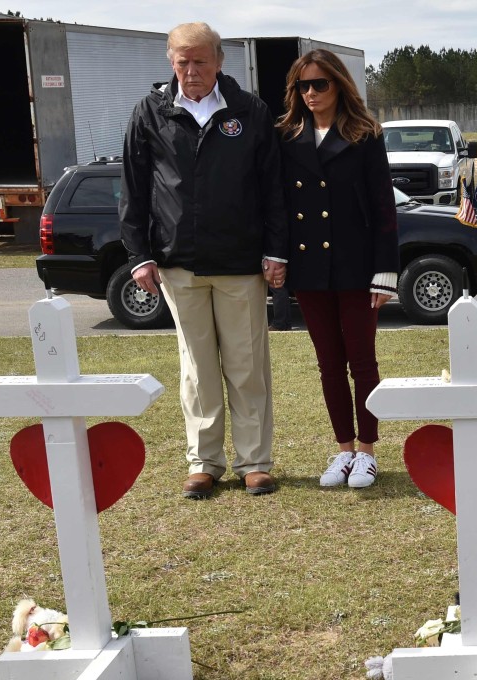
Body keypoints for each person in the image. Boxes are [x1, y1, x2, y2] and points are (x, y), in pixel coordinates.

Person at [119, 22, 288, 499]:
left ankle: (254, 462)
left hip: (240, 264)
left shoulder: (250, 111)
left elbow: (271, 188)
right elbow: (133, 190)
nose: (191, 71)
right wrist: (139, 256)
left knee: (246, 365)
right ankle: (204, 462)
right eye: (182, 62)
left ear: (219, 61)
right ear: (170, 62)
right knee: (197, 369)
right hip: (178, 263)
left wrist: (276, 251)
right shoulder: (150, 112)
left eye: (200, 61)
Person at [277, 49, 399, 489]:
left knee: (362, 362)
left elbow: (384, 206)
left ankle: (367, 452)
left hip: (355, 264)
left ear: (339, 85)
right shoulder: (287, 135)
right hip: (310, 268)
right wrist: (278, 256)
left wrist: (386, 270)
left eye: (319, 84)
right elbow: (281, 206)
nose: (310, 93)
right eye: (302, 86)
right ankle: (343, 449)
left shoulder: (364, 134)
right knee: (328, 363)